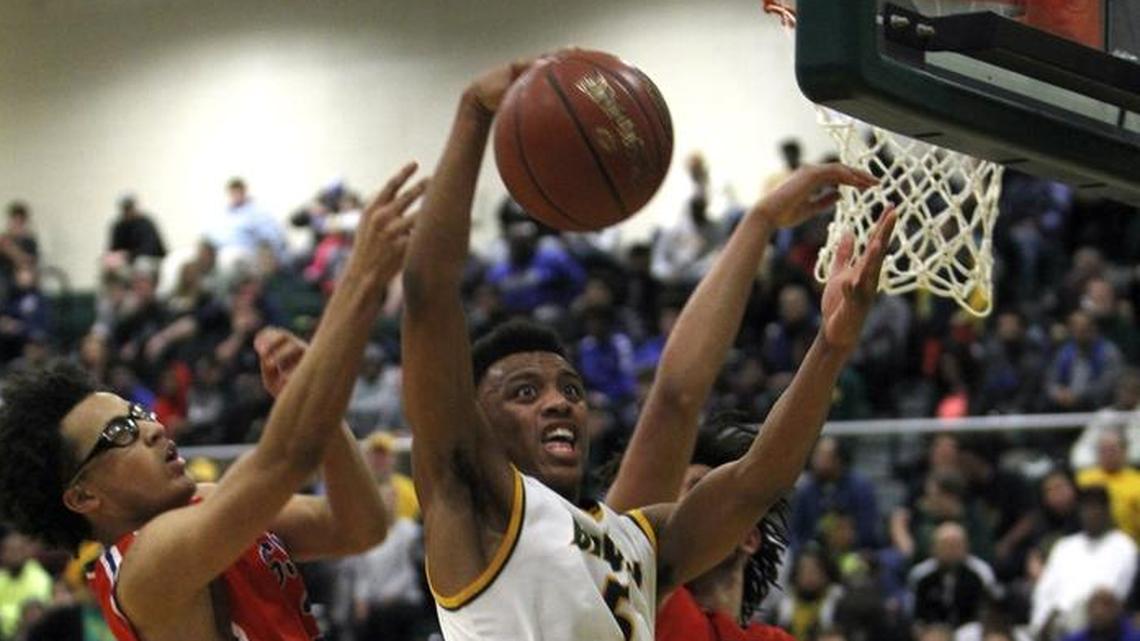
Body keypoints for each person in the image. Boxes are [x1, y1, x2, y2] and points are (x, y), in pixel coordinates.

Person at [400, 54, 894, 641]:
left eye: (571, 389)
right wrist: (474, 115)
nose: (559, 402)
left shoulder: (633, 542)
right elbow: (427, 295)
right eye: (525, 392)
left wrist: (830, 346)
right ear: (475, 420)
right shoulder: (469, 502)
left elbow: (755, 481)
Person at [0, 164, 424, 641]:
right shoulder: (144, 566)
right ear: (84, 497)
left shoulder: (202, 504)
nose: (152, 429)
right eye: (121, 433)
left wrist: (316, 406)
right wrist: (360, 282)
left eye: (137, 415)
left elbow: (359, 527)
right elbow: (285, 458)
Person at [656, 415, 795, 641]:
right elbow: (676, 403)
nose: (679, 514)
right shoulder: (643, 613)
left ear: (749, 538)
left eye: (699, 493)